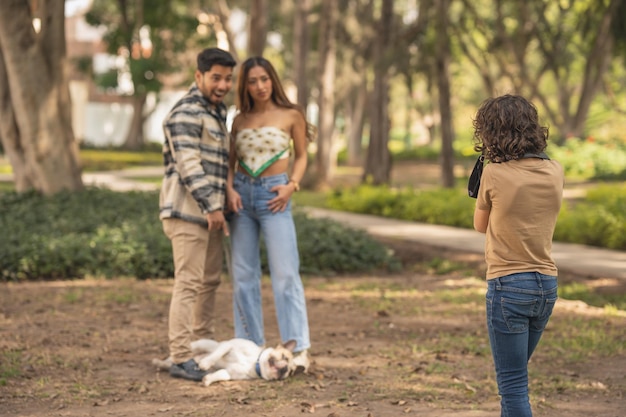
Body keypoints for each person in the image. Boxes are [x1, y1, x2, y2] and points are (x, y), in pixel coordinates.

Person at [472, 94, 564, 416]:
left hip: (508, 286)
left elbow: (479, 225)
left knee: (512, 387)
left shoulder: (495, 174)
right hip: (546, 286)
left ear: (492, 133)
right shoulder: (555, 170)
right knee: (514, 381)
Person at [226, 56, 313, 373]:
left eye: (264, 79)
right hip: (241, 200)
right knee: (243, 276)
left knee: (286, 275)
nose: (259, 86)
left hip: (276, 196)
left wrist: (292, 185)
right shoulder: (239, 120)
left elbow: (301, 155)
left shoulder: (292, 114)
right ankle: (249, 347)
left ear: (272, 80)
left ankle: (298, 348)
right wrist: (229, 189)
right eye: (252, 81)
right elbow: (230, 163)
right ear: (245, 85)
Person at [159, 47, 236, 382]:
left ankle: (201, 348)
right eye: (216, 77)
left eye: (228, 78)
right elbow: (189, 165)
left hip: (210, 215)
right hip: (189, 213)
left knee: (209, 283)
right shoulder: (187, 112)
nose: (223, 84)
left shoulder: (215, 112)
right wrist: (212, 205)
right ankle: (179, 356)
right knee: (189, 283)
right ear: (199, 76)